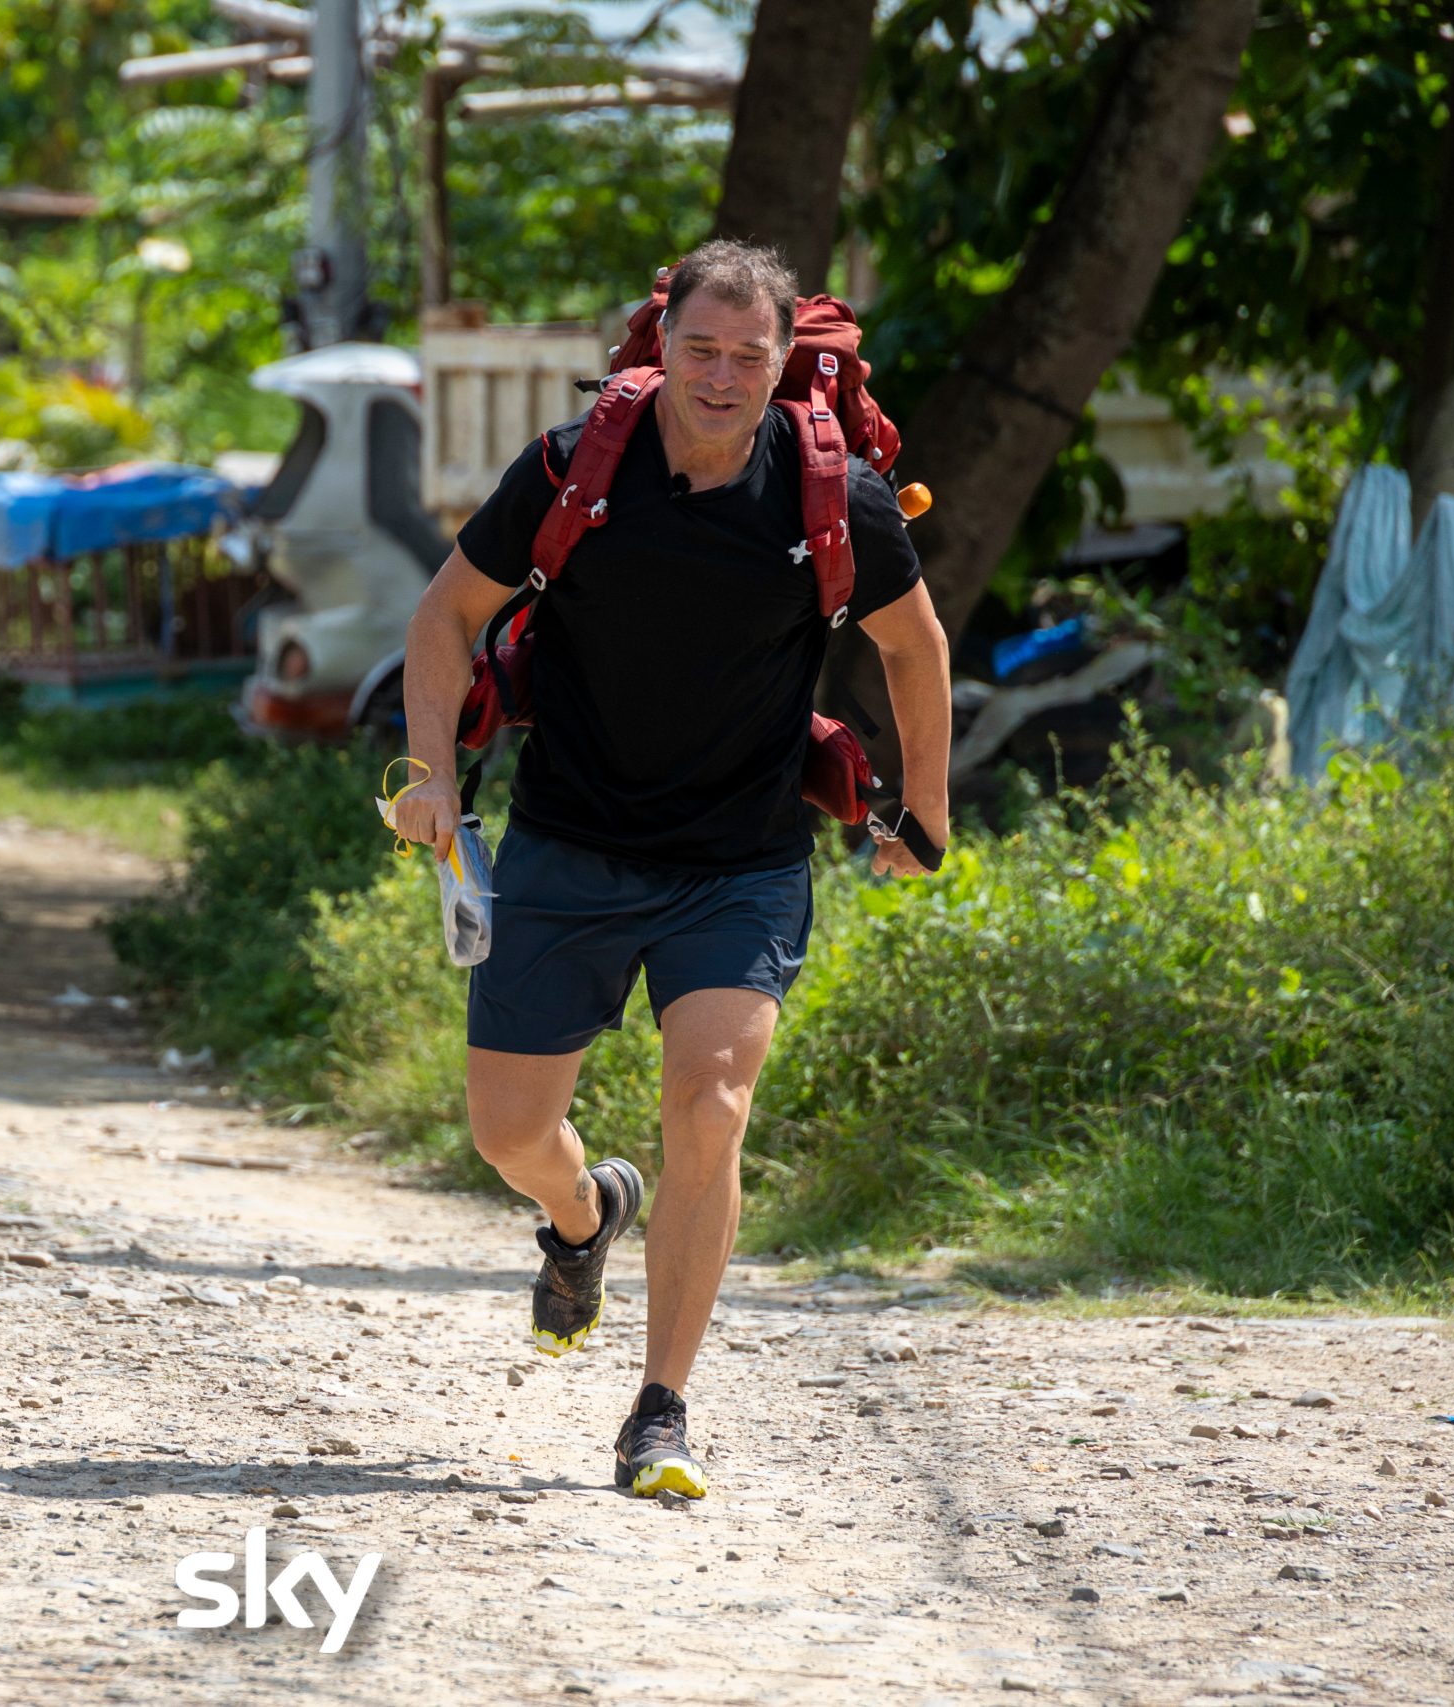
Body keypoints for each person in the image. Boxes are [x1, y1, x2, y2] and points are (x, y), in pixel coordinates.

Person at [392, 242, 952, 1499]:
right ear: (662, 345)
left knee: (712, 1106)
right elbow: (445, 616)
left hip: (739, 864)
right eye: (699, 348)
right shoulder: (572, 470)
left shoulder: (833, 495)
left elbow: (914, 649)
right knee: (507, 1133)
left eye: (749, 355)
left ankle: (661, 1410)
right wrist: (431, 774)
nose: (721, 376)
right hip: (568, 844)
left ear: (782, 363)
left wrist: (923, 810)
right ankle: (585, 1212)